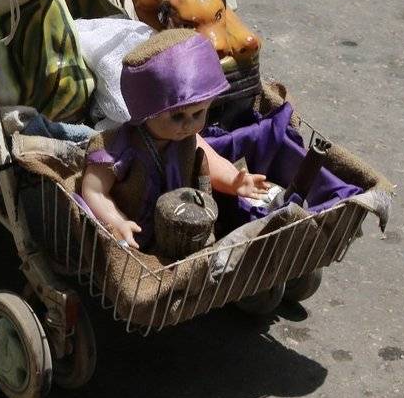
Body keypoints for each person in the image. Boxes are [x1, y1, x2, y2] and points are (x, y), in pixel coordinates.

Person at [80, 29, 271, 250]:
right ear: (147, 111)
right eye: (177, 116)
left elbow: (213, 161)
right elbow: (94, 190)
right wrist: (118, 221)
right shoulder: (117, 147)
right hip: (136, 231)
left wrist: (235, 181)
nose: (188, 125)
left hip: (182, 226)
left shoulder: (188, 139)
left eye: (198, 113)